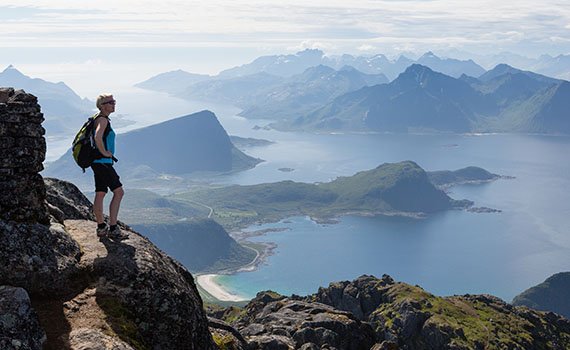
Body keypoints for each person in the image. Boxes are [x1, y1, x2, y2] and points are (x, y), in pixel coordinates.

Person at [91, 93, 127, 240]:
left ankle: (101, 227)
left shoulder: (97, 118)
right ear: (102, 105)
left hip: (96, 163)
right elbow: (97, 137)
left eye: (114, 101)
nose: (114, 104)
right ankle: (113, 228)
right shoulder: (103, 120)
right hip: (103, 163)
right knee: (119, 192)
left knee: (100, 193)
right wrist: (105, 152)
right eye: (110, 102)